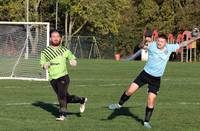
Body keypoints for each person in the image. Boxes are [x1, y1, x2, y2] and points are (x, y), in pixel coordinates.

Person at [108, 33, 193, 128]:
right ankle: (119, 105)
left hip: (156, 79)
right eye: (158, 41)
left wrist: (196, 37)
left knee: (151, 100)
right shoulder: (152, 45)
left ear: (165, 43)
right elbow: (140, 46)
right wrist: (144, 40)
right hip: (144, 75)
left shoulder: (169, 47)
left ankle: (146, 122)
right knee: (129, 91)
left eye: (162, 42)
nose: (159, 43)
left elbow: (183, 44)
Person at [40, 30, 87, 121]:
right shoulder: (45, 52)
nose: (56, 38)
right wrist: (45, 65)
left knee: (61, 96)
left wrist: (73, 62)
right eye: (53, 36)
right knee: (66, 98)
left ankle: (63, 115)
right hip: (52, 78)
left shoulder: (65, 50)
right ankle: (82, 100)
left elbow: (73, 59)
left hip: (63, 76)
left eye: (57, 36)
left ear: (60, 38)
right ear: (50, 38)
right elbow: (43, 65)